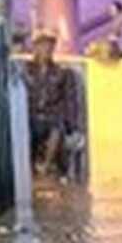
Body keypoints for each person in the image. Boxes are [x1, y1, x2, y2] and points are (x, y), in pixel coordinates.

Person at [24, 29, 83, 179]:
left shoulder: (61, 73)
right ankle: (29, 170)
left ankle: (46, 166)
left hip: (51, 118)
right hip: (30, 116)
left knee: (57, 127)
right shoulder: (24, 71)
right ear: (35, 47)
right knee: (26, 128)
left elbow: (70, 101)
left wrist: (73, 127)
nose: (46, 49)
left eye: (50, 45)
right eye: (42, 45)